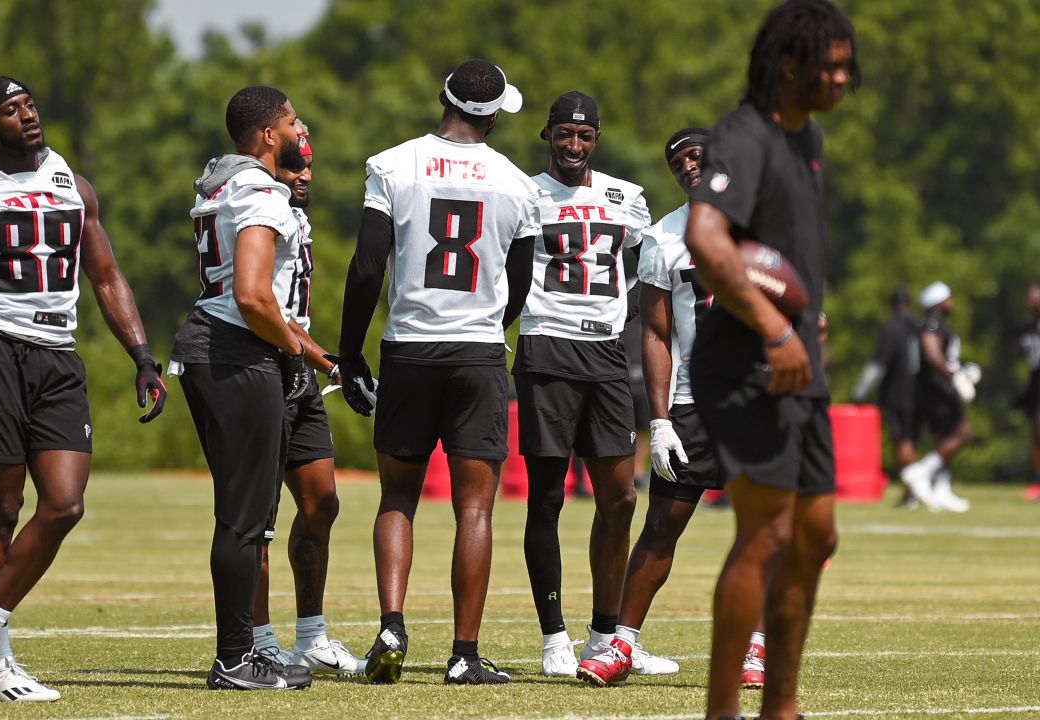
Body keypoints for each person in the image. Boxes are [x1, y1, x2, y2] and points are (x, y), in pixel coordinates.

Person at [0, 76, 168, 703]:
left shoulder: (72, 184)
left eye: (29, 104)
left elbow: (105, 275)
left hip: (59, 357)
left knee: (64, 504)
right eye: (10, 109)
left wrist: (142, 355)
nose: (28, 115)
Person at [681, 2, 860, 718]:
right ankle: (725, 710)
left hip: (800, 365)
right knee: (769, 533)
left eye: (850, 65)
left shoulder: (807, 134)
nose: (845, 78)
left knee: (817, 536)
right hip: (748, 364)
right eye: (832, 64)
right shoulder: (744, 135)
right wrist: (774, 329)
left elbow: (780, 252)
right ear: (789, 64)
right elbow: (707, 236)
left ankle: (780, 705)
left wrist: (805, 323)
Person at [337, 59, 541, 686]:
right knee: (474, 509)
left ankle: (392, 625)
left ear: (443, 99)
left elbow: (368, 265)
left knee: (397, 494)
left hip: (410, 346)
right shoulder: (517, 182)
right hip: (477, 351)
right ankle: (464, 654)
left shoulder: (392, 164)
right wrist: (483, 328)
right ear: (495, 113)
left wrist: (350, 354)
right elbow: (522, 284)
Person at [501, 91, 653, 684]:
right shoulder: (526, 194)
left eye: (584, 137)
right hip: (546, 350)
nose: (573, 145)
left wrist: (626, 314)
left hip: (607, 355)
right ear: (547, 135)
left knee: (619, 498)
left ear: (597, 139)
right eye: (563, 134)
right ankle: (554, 637)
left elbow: (651, 270)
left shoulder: (627, 199)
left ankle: (606, 635)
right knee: (546, 498)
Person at [170, 85, 315, 691]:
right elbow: (254, 296)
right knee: (243, 519)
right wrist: (298, 349)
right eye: (291, 121)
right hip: (236, 352)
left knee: (243, 515)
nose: (300, 129)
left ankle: (243, 654)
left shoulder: (223, 183)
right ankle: (235, 659)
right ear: (266, 136)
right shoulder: (260, 191)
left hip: (211, 347)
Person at [249, 129, 366, 675]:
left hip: (297, 372)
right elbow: (268, 307)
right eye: (296, 170)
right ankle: (259, 640)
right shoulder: (260, 211)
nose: (306, 179)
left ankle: (311, 636)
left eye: (308, 171)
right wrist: (331, 362)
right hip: (263, 367)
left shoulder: (296, 218)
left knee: (322, 502)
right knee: (259, 518)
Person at [900, 281, 975, 512]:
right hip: (939, 390)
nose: (952, 302)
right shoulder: (933, 325)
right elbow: (932, 353)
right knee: (963, 433)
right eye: (948, 298)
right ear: (940, 302)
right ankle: (921, 472)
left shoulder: (933, 324)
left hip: (936, 389)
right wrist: (954, 376)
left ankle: (942, 488)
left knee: (944, 439)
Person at [851, 284, 922, 508]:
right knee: (913, 440)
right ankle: (917, 488)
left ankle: (912, 491)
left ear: (891, 304)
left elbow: (878, 364)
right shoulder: (919, 325)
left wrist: (860, 392)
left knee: (902, 441)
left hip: (898, 392)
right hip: (921, 391)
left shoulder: (891, 328)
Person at [1017, 284, 1040, 502]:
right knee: (1037, 434)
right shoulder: (1029, 329)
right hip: (1035, 382)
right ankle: (1038, 480)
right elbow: (1022, 355)